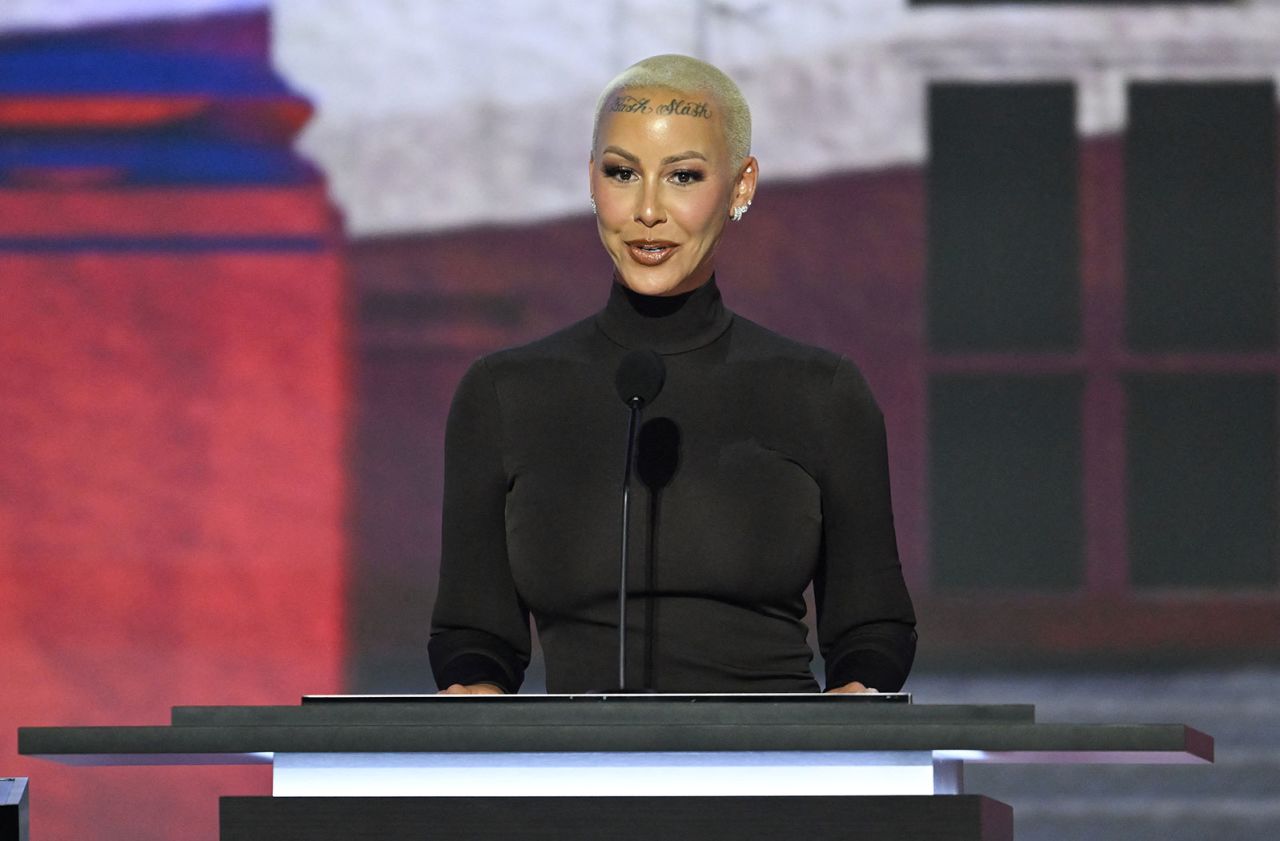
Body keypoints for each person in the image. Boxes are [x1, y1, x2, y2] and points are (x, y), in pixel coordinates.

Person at [429, 54, 916, 695]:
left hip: (776, 779)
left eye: (683, 175)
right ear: (592, 181)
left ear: (742, 185)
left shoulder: (820, 393)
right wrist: (476, 708)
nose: (648, 210)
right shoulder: (504, 394)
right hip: (575, 782)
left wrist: (840, 738)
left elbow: (872, 631)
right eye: (622, 173)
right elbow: (474, 640)